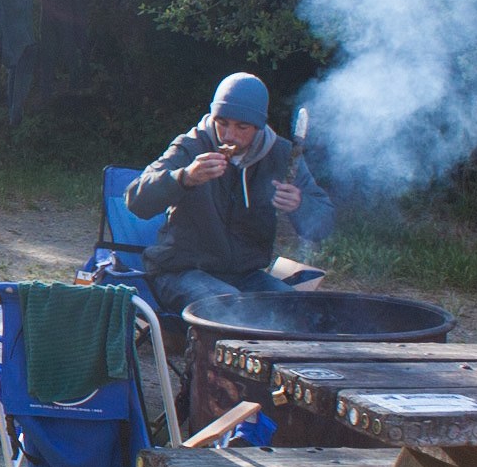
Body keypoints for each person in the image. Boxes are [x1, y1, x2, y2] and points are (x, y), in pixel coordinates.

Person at [126, 72, 334, 315]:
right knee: (228, 308)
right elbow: (135, 200)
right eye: (222, 123)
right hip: (181, 272)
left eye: (241, 127)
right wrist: (184, 177)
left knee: (299, 311)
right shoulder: (192, 146)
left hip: (246, 276)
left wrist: (300, 204)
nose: (228, 136)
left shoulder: (282, 155)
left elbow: (324, 222)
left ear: (259, 126)